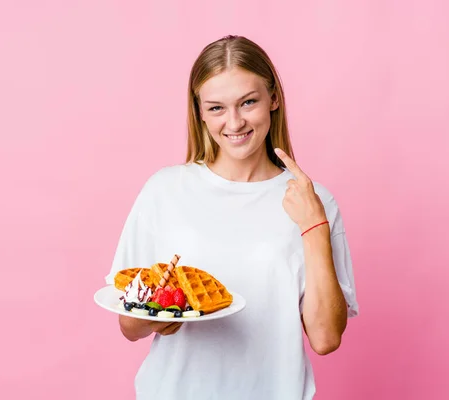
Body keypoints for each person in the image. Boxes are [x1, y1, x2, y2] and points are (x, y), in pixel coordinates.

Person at [104, 35, 359, 400]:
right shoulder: (165, 190)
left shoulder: (311, 201)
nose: (235, 122)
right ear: (200, 112)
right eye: (217, 108)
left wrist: (314, 225)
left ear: (273, 99)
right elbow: (129, 325)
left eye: (248, 102)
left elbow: (325, 338)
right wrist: (166, 315)